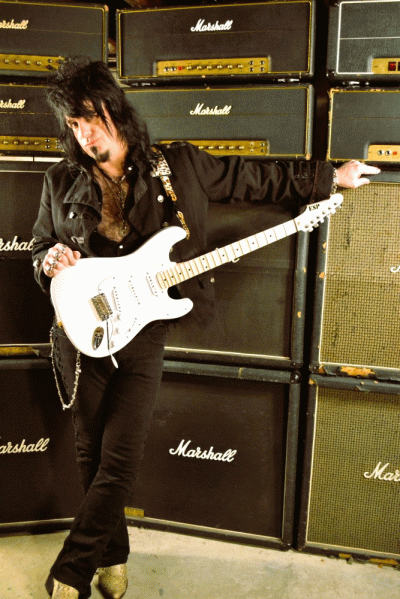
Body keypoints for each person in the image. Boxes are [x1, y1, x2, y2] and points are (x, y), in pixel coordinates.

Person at [32, 56, 380, 599]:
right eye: (74, 124)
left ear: (116, 110)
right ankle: (112, 556)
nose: (84, 134)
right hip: (79, 333)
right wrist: (48, 261)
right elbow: (39, 247)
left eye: (92, 118)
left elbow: (251, 178)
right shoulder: (60, 180)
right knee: (90, 452)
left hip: (144, 331)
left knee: (120, 456)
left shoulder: (178, 165)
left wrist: (327, 175)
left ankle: (72, 570)